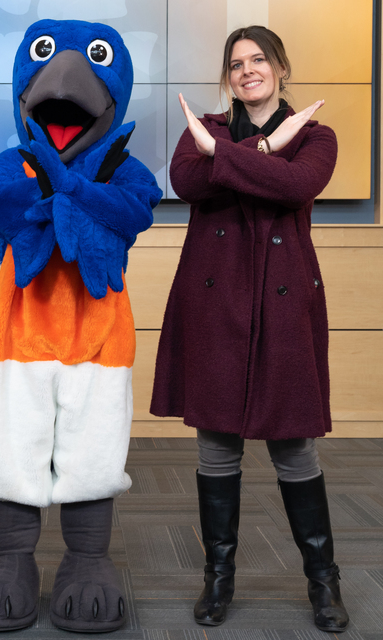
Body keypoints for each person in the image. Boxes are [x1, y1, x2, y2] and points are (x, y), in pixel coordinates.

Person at [150, 26, 348, 633]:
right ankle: (219, 578)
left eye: (258, 59)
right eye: (236, 63)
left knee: (294, 445)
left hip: (285, 303)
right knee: (216, 446)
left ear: (281, 68)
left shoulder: (316, 136)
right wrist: (262, 151)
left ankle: (324, 583)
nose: (247, 71)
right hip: (215, 304)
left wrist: (233, 159)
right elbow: (187, 183)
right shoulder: (200, 132)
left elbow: (297, 185)